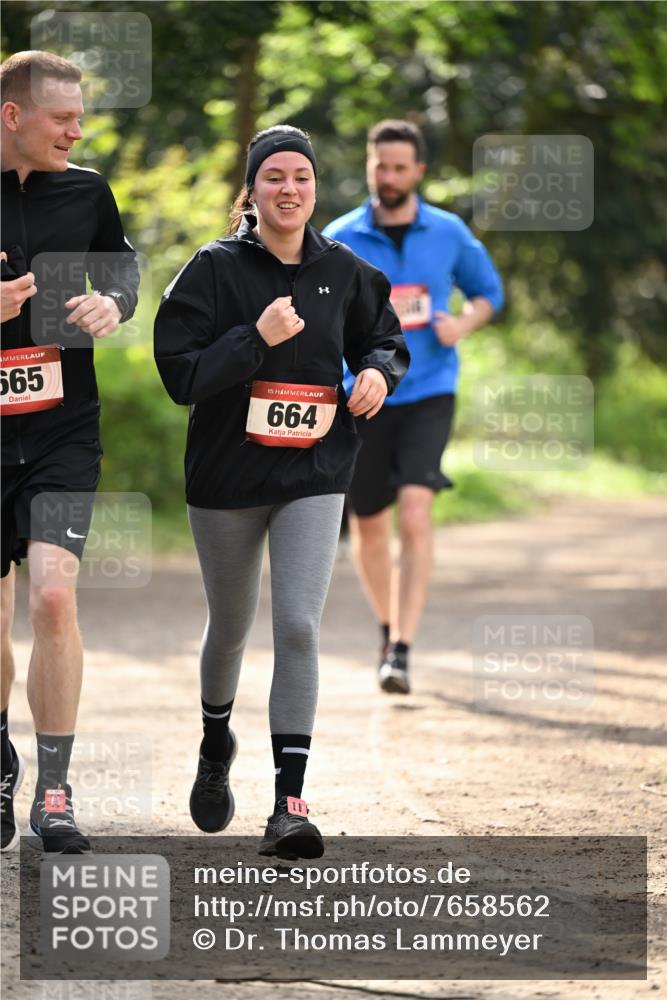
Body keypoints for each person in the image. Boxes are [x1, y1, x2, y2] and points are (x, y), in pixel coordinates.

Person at [154, 124, 408, 859]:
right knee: (230, 627)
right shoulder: (212, 269)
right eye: (274, 178)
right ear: (253, 189)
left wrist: (377, 376)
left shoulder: (344, 270)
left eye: (300, 176)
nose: (288, 189)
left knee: (296, 625)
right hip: (227, 475)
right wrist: (254, 339)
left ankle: (288, 804)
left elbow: (384, 339)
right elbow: (180, 376)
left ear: (315, 187)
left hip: (314, 471)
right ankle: (213, 740)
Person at [0, 51, 139, 853]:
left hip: (61, 427)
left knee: (52, 596)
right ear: (13, 116)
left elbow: (122, 268)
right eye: (62, 119)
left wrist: (112, 304)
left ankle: (55, 791)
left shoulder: (86, 189)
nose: (77, 131)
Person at [323, 119, 504, 695]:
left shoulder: (448, 232)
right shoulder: (340, 234)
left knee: (418, 514)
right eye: (381, 166)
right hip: (367, 393)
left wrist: (464, 322)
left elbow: (488, 293)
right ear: (370, 165)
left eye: (400, 168)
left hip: (429, 390)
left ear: (419, 171)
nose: (389, 177)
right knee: (369, 526)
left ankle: (403, 645)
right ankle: (387, 628)